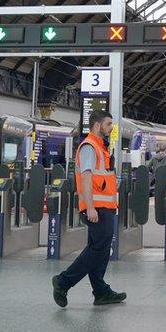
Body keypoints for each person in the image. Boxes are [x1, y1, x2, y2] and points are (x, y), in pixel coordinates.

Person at [52, 109, 126, 308]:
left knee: (99, 249)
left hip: (105, 206)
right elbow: (85, 178)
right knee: (98, 249)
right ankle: (63, 281)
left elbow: (101, 177)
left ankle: (100, 291)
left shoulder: (101, 147)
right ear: (97, 125)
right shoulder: (89, 147)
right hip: (97, 208)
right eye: (109, 124)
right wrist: (90, 207)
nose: (111, 128)